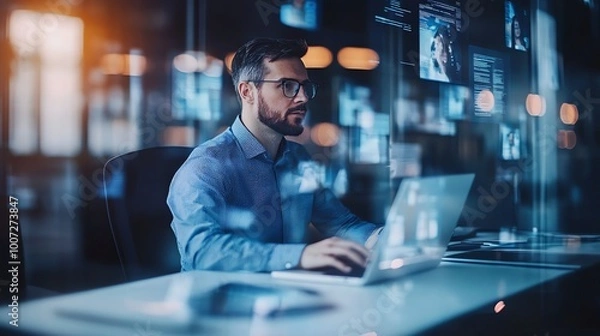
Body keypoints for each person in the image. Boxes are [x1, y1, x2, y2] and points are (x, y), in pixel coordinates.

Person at [167, 38, 382, 274]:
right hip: (220, 304)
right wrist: (300, 256)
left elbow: (342, 223)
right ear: (247, 91)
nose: (303, 98)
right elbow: (203, 252)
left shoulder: (298, 158)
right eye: (288, 86)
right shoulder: (206, 166)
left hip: (288, 298)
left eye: (304, 87)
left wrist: (386, 240)